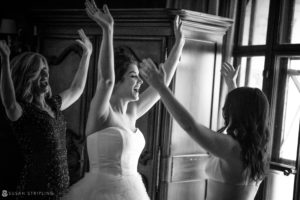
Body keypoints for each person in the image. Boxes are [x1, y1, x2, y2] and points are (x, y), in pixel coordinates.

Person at [63, 1, 185, 199]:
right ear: (118, 81)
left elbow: (162, 85)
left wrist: (179, 44)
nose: (140, 82)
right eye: (133, 76)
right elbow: (106, 79)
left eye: (139, 76)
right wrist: (108, 29)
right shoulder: (102, 112)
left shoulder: (132, 112)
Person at [140, 61, 270, 200]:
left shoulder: (230, 147)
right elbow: (245, 110)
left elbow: (190, 126)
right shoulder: (257, 148)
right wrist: (232, 84)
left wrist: (161, 88)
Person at [0, 29, 92, 199]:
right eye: (38, 70)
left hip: (61, 186)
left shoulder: (54, 105)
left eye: (45, 70)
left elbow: (77, 89)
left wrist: (87, 53)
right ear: (27, 76)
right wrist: (5, 61)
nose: (45, 74)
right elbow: (9, 102)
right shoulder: (23, 112)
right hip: (37, 187)